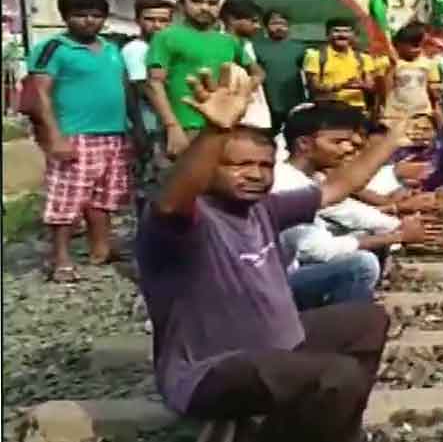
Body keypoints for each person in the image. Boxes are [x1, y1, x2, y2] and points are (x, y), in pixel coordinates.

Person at [136, 64, 405, 440]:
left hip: (275, 345)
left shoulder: (263, 209)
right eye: (240, 165)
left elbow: (337, 188)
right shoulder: (183, 224)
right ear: (211, 166)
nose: (256, 174)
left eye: (264, 165)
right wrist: (216, 131)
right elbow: (171, 202)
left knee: (367, 322)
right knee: (337, 375)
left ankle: (325, 427)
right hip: (209, 372)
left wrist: (391, 141)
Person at [273, 103, 431, 310]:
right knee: (361, 265)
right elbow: (319, 251)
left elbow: (351, 212)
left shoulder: (311, 179)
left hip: (291, 272)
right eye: (337, 142)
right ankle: (339, 328)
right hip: (276, 284)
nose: (347, 149)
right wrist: (397, 236)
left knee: (366, 235)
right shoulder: (287, 182)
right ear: (304, 144)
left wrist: (402, 227)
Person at [26, 0, 133, 283]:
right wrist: (55, 136)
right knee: (66, 200)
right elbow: (40, 95)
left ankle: (101, 250)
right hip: (75, 135)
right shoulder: (53, 48)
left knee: (104, 199)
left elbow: (125, 90)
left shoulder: (111, 48)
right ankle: (61, 259)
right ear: (66, 17)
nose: (89, 21)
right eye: (80, 15)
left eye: (96, 16)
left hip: (114, 134)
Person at [146, 0, 265, 158]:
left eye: (211, 3)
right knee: (182, 183)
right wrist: (172, 126)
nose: (205, 7)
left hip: (225, 125)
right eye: (196, 1)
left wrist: (244, 93)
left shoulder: (228, 41)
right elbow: (154, 83)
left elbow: (257, 73)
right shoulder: (166, 36)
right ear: (181, 5)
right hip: (185, 126)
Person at [122, 0, 175, 214]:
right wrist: (139, 130)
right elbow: (140, 89)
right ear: (137, 20)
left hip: (166, 125)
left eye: (163, 20)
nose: (157, 25)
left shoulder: (166, 47)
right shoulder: (136, 49)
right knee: (151, 184)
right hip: (149, 126)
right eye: (150, 19)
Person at [253, 9, 308, 134]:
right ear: (266, 27)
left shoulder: (300, 48)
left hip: (294, 103)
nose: (279, 27)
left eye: (283, 24)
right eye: (275, 23)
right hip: (266, 104)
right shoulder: (255, 47)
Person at [302, 18, 375, 111]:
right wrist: (341, 86)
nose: (342, 35)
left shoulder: (364, 58)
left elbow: (371, 86)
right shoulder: (315, 56)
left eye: (346, 31)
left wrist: (361, 85)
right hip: (326, 108)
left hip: (356, 108)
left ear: (353, 35)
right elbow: (313, 87)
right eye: (336, 31)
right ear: (328, 34)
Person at [221, 0, 272, 130]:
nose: (258, 26)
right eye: (253, 21)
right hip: (234, 114)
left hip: (252, 111)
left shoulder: (247, 44)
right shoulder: (221, 43)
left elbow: (259, 74)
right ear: (232, 20)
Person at [382, 23, 442, 125]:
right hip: (395, 115)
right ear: (400, 45)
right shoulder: (390, 63)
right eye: (413, 44)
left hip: (422, 113)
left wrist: (437, 109)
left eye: (418, 44)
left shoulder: (428, 63)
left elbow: (434, 91)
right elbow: (385, 89)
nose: (416, 48)